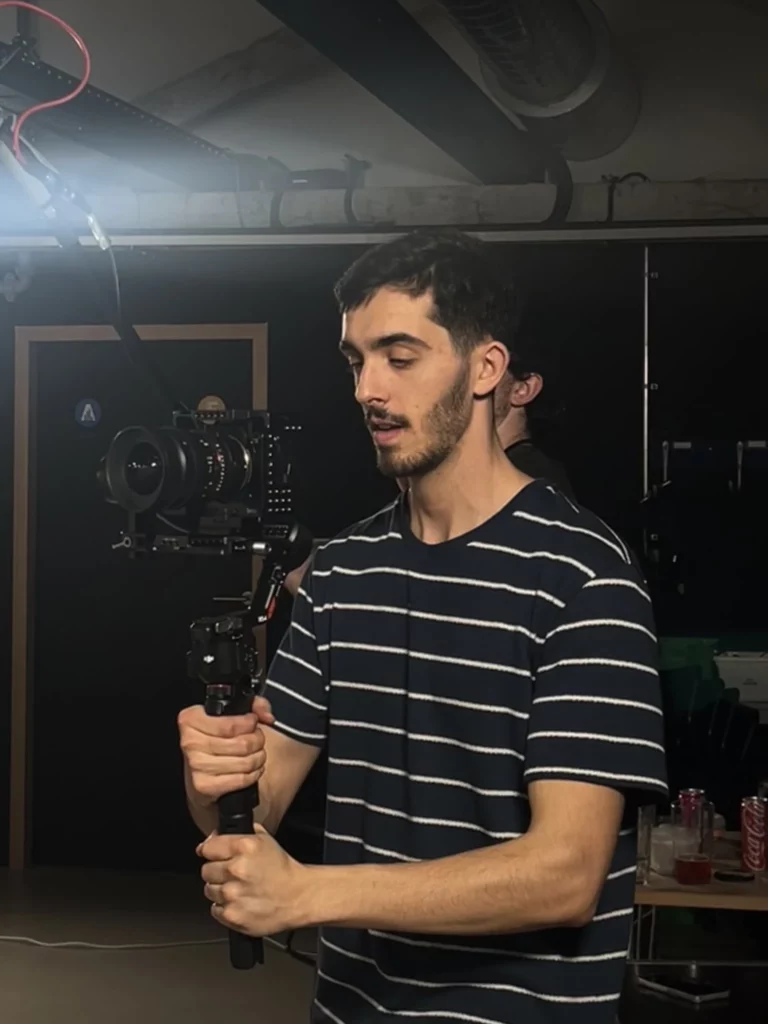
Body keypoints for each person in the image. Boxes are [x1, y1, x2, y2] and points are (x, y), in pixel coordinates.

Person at [179, 228, 667, 1024]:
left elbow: (566, 875)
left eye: (400, 358)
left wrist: (307, 892)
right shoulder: (342, 573)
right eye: (355, 361)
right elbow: (255, 815)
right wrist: (215, 778)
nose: (369, 388)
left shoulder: (583, 572)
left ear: (487, 369)